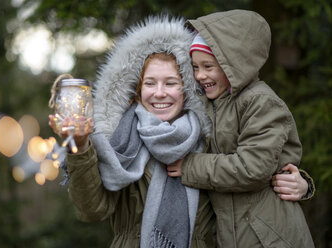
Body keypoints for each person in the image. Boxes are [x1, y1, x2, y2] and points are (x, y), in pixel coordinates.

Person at [49, 16, 313, 248]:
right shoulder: (118, 143)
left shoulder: (208, 136)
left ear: (187, 87)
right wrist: (80, 146)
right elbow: (91, 209)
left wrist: (301, 182)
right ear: (138, 91)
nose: (160, 93)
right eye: (150, 83)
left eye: (171, 83)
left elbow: (250, 168)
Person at [170, 9, 314, 247]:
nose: (199, 75)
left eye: (208, 66)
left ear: (234, 64)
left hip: (269, 236)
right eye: (195, 67)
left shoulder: (260, 101)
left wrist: (189, 166)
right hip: (231, 234)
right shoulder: (207, 103)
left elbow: (253, 167)